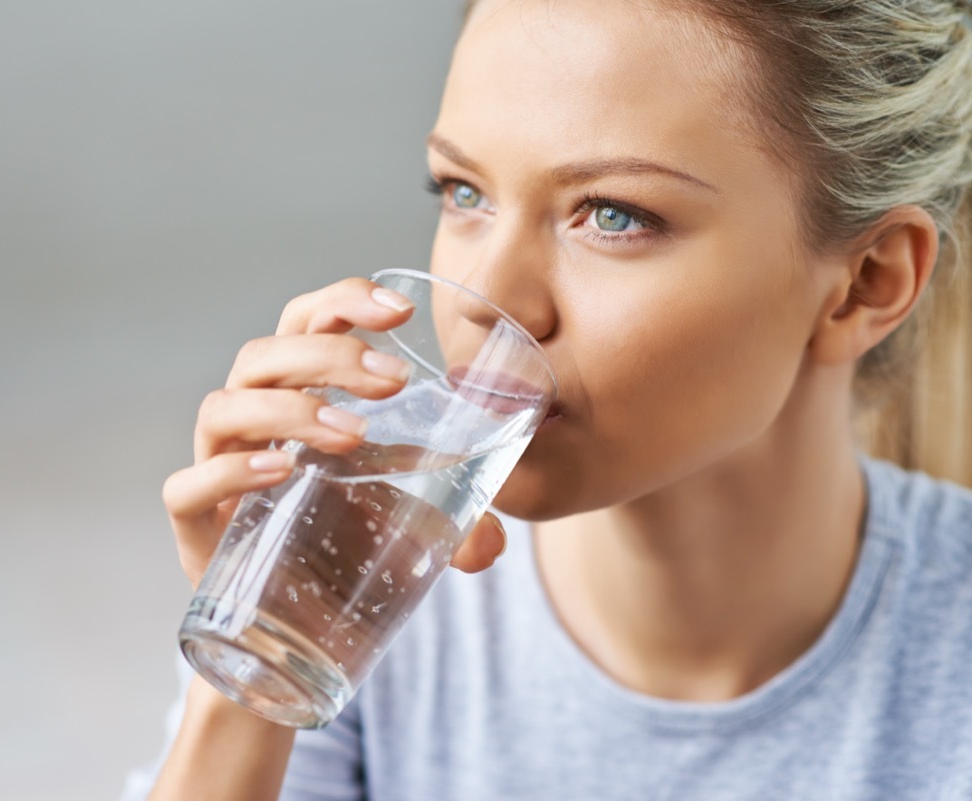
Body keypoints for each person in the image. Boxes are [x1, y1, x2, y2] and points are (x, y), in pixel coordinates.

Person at [124, 0, 972, 798]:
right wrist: (252, 662)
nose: (482, 294)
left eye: (611, 214)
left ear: (866, 283)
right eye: (463, 192)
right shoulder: (363, 585)